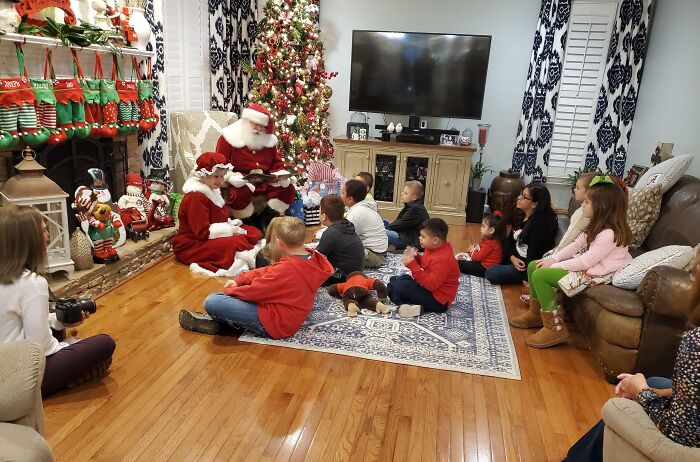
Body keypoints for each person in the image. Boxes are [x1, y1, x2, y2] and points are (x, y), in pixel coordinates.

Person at [564, 253, 700, 461]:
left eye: (693, 273)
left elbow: (680, 433)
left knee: (619, 408)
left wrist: (642, 392)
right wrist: (653, 390)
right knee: (656, 381)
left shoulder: (696, 343)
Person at [0, 204, 116, 398]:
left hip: (6, 363)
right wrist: (69, 345)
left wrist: (58, 322)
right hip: (18, 378)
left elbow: (16, 327)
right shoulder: (32, 283)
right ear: (29, 240)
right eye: (43, 231)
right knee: (104, 343)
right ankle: (69, 378)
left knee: (60, 331)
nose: (47, 236)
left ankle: (75, 373)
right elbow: (41, 349)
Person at [514, 176, 633, 348]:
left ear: (602, 207)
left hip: (597, 274)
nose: (582, 205)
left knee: (541, 275)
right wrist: (553, 258)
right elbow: (575, 245)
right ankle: (535, 314)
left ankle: (554, 327)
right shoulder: (595, 224)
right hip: (589, 266)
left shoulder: (609, 234)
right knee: (534, 265)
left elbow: (586, 262)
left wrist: (555, 265)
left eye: (586, 202)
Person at [179, 217, 334, 339]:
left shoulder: (287, 269)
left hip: (277, 322)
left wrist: (233, 290)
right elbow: (268, 271)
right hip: (289, 312)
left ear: (280, 243)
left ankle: (222, 322)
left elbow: (255, 291)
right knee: (238, 284)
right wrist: (241, 279)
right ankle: (224, 322)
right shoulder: (311, 257)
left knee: (213, 301)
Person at [171, 152, 263, 277]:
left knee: (250, 231)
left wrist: (231, 227)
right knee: (230, 244)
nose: (220, 181)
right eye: (216, 176)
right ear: (204, 175)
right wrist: (230, 230)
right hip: (192, 243)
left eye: (222, 176)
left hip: (210, 236)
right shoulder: (196, 197)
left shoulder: (212, 191)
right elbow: (202, 232)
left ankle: (246, 255)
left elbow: (219, 219)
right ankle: (240, 259)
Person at [215, 103, 296, 220]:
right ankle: (246, 221)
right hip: (242, 183)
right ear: (247, 121)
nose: (258, 129)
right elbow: (220, 164)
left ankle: (270, 218)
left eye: (262, 126)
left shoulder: (267, 141)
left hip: (265, 182)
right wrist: (231, 177)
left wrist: (280, 175)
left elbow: (277, 163)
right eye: (255, 124)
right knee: (238, 194)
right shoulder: (228, 137)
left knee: (288, 189)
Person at [485, 183, 558, 285]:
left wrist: (527, 278)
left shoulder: (541, 223)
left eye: (524, 197)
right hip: (514, 258)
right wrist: (512, 257)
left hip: (524, 265)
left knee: (491, 273)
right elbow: (508, 241)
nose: (518, 198)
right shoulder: (521, 214)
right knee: (486, 257)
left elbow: (535, 253)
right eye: (520, 194)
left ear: (534, 204)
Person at [387, 218, 460, 318]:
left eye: (423, 236)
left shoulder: (443, 259)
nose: (419, 238)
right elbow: (427, 264)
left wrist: (413, 265)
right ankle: (408, 303)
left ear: (435, 240)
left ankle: (404, 306)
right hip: (431, 290)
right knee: (397, 280)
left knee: (395, 286)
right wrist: (416, 257)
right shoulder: (434, 248)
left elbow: (431, 285)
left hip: (438, 301)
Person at [316, 194, 365, 284]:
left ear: (324, 216)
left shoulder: (330, 233)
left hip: (342, 276)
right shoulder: (347, 224)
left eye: (319, 211)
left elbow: (317, 257)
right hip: (356, 272)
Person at [342, 179, 388, 268]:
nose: (340, 195)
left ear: (350, 199)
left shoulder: (356, 212)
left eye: (342, 193)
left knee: (337, 253)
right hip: (380, 251)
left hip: (375, 255)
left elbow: (345, 237)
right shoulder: (363, 206)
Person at [551, 172, 598, 254]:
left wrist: (556, 253)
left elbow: (569, 239)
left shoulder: (585, 214)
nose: (574, 190)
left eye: (578, 188)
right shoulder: (581, 210)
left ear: (589, 191)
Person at [457, 211, 507, 277]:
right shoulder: (491, 240)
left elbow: (478, 257)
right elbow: (482, 251)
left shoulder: (490, 243)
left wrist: (472, 251)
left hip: (484, 268)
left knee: (460, 263)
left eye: (483, 226)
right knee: (465, 255)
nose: (481, 228)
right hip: (485, 263)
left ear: (491, 230)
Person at [385, 180, 430, 251]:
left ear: (414, 197)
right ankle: (392, 245)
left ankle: (393, 245)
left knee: (383, 233)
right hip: (406, 234)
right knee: (385, 222)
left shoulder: (415, 209)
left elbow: (399, 224)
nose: (402, 194)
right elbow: (400, 222)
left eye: (405, 193)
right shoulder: (413, 206)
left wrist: (385, 228)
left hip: (413, 242)